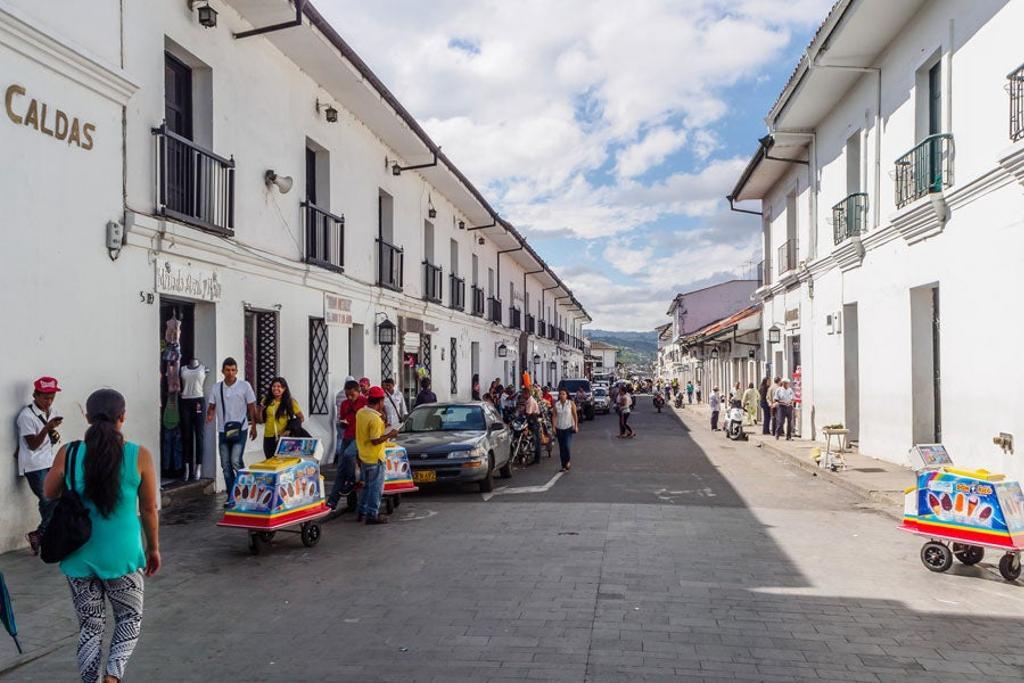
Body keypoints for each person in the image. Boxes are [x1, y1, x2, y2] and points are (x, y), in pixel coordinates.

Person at [44, 388, 160, 683]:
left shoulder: (69, 452)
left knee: (90, 627)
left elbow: (48, 492)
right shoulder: (139, 455)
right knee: (129, 618)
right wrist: (153, 549)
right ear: (123, 417)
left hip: (79, 555)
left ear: (87, 416)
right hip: (122, 555)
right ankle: (112, 676)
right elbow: (148, 509)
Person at [17, 376, 63, 554]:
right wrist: (47, 428)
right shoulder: (26, 416)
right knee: (49, 499)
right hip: (34, 465)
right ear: (35, 395)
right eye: (45, 397)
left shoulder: (52, 410)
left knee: (52, 501)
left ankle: (42, 536)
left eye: (52, 397)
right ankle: (42, 534)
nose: (48, 401)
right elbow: (33, 445)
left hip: (49, 461)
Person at [206, 358, 257, 508]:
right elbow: (212, 405)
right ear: (222, 371)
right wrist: (209, 415)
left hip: (240, 429)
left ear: (237, 371)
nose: (230, 373)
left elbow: (251, 406)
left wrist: (253, 425)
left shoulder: (244, 386)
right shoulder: (217, 388)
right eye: (227, 370)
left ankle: (246, 489)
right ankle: (232, 495)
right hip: (223, 430)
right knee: (225, 464)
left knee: (235, 460)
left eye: (233, 370)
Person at [356, 386, 399, 524]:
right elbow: (375, 440)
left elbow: (368, 432)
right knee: (375, 488)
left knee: (366, 487)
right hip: (375, 457)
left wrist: (382, 424)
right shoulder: (375, 419)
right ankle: (372, 514)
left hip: (363, 456)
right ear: (380, 401)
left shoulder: (361, 413)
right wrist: (390, 434)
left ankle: (361, 511)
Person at [326, 380, 366, 510]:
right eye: (347, 395)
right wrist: (343, 423)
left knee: (349, 455)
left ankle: (351, 481)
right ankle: (332, 502)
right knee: (341, 470)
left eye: (352, 395)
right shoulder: (344, 404)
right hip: (347, 436)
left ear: (358, 392)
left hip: (360, 437)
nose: (349, 397)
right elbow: (343, 419)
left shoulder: (365, 402)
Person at [259, 377, 303, 459]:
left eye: (279, 386)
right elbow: (261, 421)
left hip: (284, 437)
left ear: (284, 388)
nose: (276, 388)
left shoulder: (291, 401)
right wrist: (260, 410)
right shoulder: (266, 400)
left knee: (284, 462)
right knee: (270, 461)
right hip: (268, 436)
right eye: (274, 386)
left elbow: (300, 418)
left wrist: (289, 430)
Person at [552, 388, 578, 472]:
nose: (562, 395)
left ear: (566, 395)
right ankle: (563, 465)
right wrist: (553, 427)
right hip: (559, 427)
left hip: (568, 427)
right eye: (560, 394)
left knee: (567, 446)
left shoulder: (570, 403)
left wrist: (576, 425)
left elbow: (574, 415)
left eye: (563, 394)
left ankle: (567, 461)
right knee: (561, 447)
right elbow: (554, 416)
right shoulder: (557, 405)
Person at [519, 386, 542, 465]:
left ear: (527, 394)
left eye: (523, 394)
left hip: (534, 421)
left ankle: (537, 458)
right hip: (532, 420)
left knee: (536, 440)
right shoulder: (528, 400)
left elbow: (528, 414)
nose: (522, 395)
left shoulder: (530, 401)